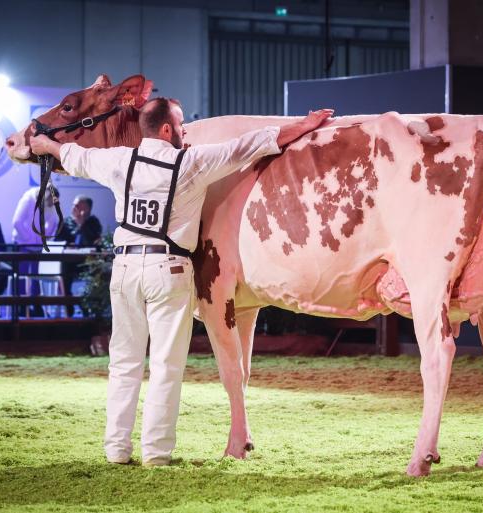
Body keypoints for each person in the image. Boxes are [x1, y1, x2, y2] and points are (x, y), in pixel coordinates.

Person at [30, 97, 333, 467]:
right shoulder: (191, 162)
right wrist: (303, 125)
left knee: (123, 363)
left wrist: (45, 145)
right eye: (182, 124)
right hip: (168, 269)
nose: (187, 130)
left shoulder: (119, 161)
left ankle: (116, 449)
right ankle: (155, 453)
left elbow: (75, 156)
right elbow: (249, 144)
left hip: (124, 270)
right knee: (165, 366)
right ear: (167, 129)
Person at [12, 185, 61, 317]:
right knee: (22, 278)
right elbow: (17, 222)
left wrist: (42, 239)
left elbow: (53, 221)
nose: (52, 205)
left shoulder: (50, 201)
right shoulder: (28, 199)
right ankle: (21, 307)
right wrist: (30, 239)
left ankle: (35, 306)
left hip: (37, 247)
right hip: (22, 244)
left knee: (35, 278)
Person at [57, 195, 103, 316]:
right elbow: (58, 242)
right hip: (69, 262)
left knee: (99, 273)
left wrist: (81, 224)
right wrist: (67, 245)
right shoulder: (66, 222)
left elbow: (92, 242)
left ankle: (90, 308)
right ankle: (69, 309)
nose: (74, 207)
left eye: (78, 205)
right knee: (63, 273)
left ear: (87, 208)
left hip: (88, 262)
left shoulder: (93, 222)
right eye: (74, 205)